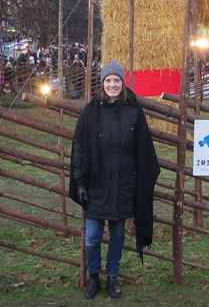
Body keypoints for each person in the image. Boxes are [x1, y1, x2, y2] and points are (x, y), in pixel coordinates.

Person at [70, 59, 160, 300]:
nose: (112, 85)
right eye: (108, 80)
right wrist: (79, 182)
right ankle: (93, 278)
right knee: (92, 236)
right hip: (96, 181)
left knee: (118, 235)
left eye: (116, 80)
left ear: (122, 83)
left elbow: (143, 148)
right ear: (102, 83)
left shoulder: (133, 109)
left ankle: (112, 277)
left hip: (123, 181)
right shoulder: (91, 110)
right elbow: (79, 147)